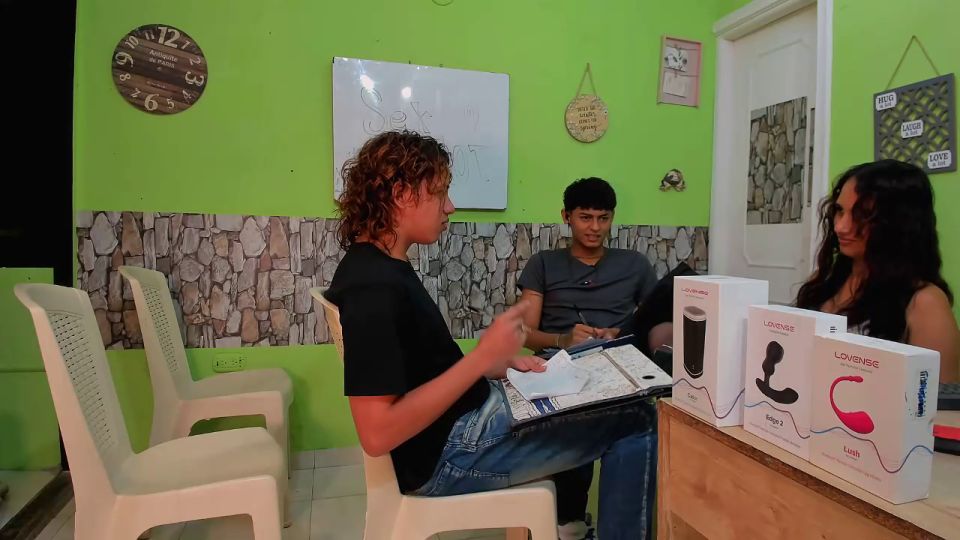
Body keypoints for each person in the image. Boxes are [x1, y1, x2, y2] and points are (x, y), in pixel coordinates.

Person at [326, 130, 658, 539]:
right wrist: (480, 360)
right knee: (637, 418)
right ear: (401, 194)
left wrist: (495, 365)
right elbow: (377, 434)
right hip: (450, 453)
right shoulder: (373, 286)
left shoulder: (379, 267)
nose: (450, 206)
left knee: (593, 387)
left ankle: (572, 521)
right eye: (441, 192)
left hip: (460, 424)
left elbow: (419, 371)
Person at [517, 177, 663, 538]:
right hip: (559, 365)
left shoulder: (634, 264)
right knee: (575, 412)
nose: (595, 227)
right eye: (585, 217)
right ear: (566, 216)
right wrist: (563, 339)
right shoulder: (543, 264)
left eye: (603, 218)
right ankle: (570, 519)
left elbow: (656, 322)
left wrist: (622, 335)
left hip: (618, 366)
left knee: (639, 422)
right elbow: (524, 332)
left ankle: (607, 526)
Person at [796, 159, 959, 382]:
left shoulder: (925, 302)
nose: (841, 227)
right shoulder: (826, 281)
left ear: (899, 223)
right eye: (840, 211)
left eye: (862, 215)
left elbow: (940, 399)